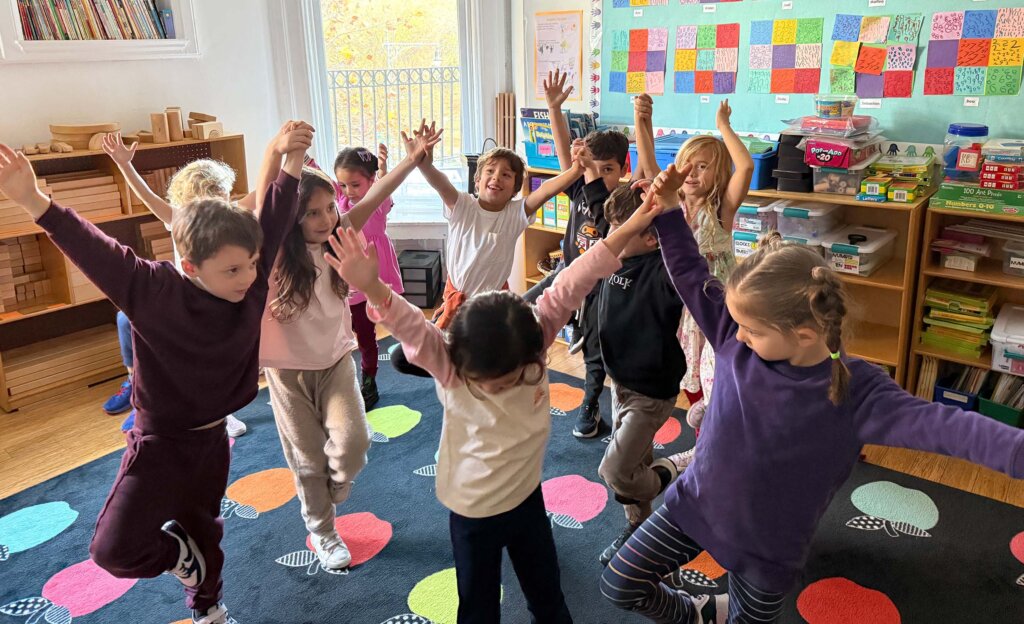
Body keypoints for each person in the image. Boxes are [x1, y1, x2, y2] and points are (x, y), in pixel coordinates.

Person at [600, 165, 1024, 624]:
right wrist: (664, 214)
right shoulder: (731, 332)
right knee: (619, 582)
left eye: (752, 330)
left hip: (769, 549)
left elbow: (952, 429)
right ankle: (702, 613)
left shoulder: (858, 390)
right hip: (696, 505)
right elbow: (688, 269)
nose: (736, 338)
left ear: (804, 334)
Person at [324, 159, 677, 624]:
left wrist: (635, 221)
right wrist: (369, 284)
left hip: (527, 497)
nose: (504, 385)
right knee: (477, 603)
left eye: (515, 375)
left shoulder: (536, 331)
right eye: (491, 381)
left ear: (535, 350)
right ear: (460, 361)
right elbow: (409, 321)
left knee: (547, 595)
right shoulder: (448, 363)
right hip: (470, 511)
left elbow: (577, 276)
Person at [0, 122, 312, 624]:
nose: (250, 279)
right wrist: (35, 201)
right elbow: (94, 249)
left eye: (252, 265)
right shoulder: (154, 291)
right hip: (160, 443)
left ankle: (209, 609)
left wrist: (291, 157)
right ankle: (181, 560)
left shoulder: (250, 282)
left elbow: (274, 219)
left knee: (206, 531)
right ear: (190, 267)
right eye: (232, 270)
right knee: (113, 550)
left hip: (213, 442)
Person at [261, 127, 441, 571]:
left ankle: (336, 484)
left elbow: (375, 194)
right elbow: (268, 203)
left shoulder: (339, 237)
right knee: (306, 460)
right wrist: (283, 153)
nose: (325, 219)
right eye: (312, 213)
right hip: (287, 373)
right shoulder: (274, 252)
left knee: (354, 443)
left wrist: (412, 159)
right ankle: (322, 531)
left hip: (338, 361)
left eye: (329, 209)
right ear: (291, 217)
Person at [389, 120, 587, 378]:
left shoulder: (515, 213)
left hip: (489, 312)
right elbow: (439, 182)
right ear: (477, 180)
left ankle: (473, 367)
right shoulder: (462, 206)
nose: (496, 178)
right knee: (400, 357)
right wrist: (424, 162)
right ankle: (462, 366)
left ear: (515, 188)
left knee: (491, 364)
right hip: (455, 306)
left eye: (506, 175)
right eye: (490, 172)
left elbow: (546, 191)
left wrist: (575, 171)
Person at [100, 133, 254, 437]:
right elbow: (147, 197)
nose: (217, 203)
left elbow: (262, 193)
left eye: (221, 196)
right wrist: (124, 166)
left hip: (217, 299)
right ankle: (139, 395)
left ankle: (222, 413)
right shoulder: (179, 217)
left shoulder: (230, 216)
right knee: (130, 324)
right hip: (184, 298)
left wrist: (287, 163)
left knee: (212, 362)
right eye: (209, 197)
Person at [633, 95, 754, 469]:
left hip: (719, 311)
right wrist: (643, 122)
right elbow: (651, 167)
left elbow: (747, 166)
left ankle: (717, 445)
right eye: (688, 166)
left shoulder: (721, 208)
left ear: (717, 175)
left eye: (703, 167)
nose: (694, 174)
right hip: (682, 309)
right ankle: (704, 446)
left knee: (720, 378)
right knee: (692, 378)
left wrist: (723, 127)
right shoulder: (672, 204)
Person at [524, 69, 632, 439]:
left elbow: (603, 208)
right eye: (594, 168)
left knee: (594, 346)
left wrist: (587, 171)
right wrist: (556, 110)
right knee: (526, 309)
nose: (598, 176)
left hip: (602, 285)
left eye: (608, 170)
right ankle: (509, 364)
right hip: (567, 274)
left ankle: (589, 405)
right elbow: (563, 159)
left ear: (623, 169)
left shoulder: (620, 201)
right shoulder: (582, 189)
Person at [594, 184, 687, 567]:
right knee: (635, 459)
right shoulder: (614, 260)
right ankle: (639, 529)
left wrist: (668, 212)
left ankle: (675, 469)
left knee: (615, 471)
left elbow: (682, 244)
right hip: (620, 383)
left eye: (621, 227)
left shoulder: (665, 271)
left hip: (651, 392)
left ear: (650, 235)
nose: (608, 236)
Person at [333, 143, 404, 408]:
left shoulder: (377, 203)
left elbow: (384, 188)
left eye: (355, 185)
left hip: (373, 276)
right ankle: (341, 381)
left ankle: (369, 378)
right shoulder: (339, 203)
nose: (348, 192)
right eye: (343, 186)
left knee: (366, 335)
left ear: (371, 181)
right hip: (346, 279)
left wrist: (384, 170)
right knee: (343, 334)